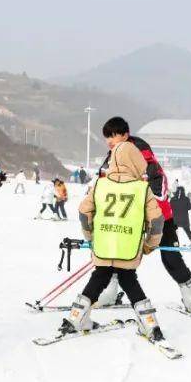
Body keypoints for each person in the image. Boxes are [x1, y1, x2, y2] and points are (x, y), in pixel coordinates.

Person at [98, 117, 191, 320]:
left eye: (113, 135)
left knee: (171, 256)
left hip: (159, 216)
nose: (109, 140)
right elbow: (103, 184)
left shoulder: (142, 154)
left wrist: (151, 222)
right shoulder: (111, 157)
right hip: (127, 219)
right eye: (106, 136)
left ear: (125, 135)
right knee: (116, 254)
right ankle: (110, 292)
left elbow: (158, 187)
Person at [61, 140, 167, 342]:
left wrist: (90, 236)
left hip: (104, 245)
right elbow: (156, 220)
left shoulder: (100, 184)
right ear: (136, 162)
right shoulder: (142, 189)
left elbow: (84, 212)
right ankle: (151, 325)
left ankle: (75, 319)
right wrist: (149, 245)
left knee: (99, 277)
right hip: (129, 246)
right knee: (129, 280)